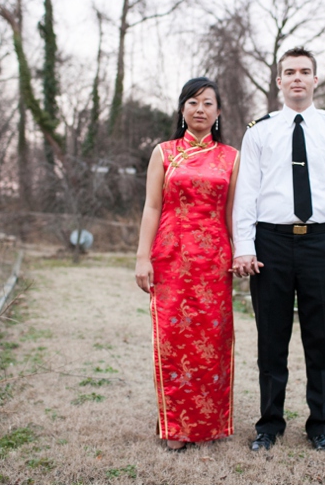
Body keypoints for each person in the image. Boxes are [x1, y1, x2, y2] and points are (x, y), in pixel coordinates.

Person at [232, 46, 325, 453]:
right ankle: (269, 425)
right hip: (270, 245)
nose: (297, 78)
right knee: (271, 340)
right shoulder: (259, 130)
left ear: (315, 79)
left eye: (304, 72)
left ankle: (321, 425)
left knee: (322, 341)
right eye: (289, 72)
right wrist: (244, 246)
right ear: (278, 81)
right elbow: (246, 194)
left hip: (322, 244)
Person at [135, 77, 239, 451]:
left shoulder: (231, 157)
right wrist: (142, 257)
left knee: (211, 342)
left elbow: (232, 213)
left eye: (208, 103)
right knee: (173, 342)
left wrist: (241, 251)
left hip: (214, 263)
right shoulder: (164, 153)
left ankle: (208, 425)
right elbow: (151, 206)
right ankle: (176, 427)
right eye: (193, 102)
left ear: (218, 112)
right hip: (170, 258)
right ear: (182, 109)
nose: (200, 109)